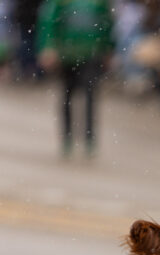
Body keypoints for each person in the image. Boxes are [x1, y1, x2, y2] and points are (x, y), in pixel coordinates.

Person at [37, 0, 114, 156]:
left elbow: (107, 24)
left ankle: (89, 138)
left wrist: (109, 48)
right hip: (67, 55)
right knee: (67, 96)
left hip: (91, 54)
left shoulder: (100, 3)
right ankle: (67, 137)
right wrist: (48, 47)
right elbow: (48, 21)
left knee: (90, 96)